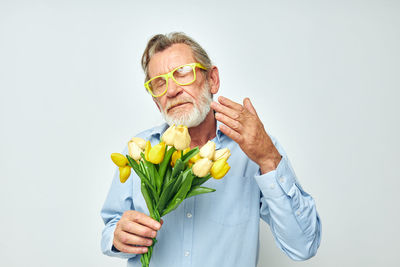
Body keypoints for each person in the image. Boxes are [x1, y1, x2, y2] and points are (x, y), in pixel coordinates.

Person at [101, 32, 321, 267]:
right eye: (159, 83)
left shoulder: (254, 151)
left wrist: (268, 159)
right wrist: (117, 237)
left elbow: (303, 246)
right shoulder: (138, 151)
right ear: (157, 101)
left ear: (212, 80)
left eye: (183, 73)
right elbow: (111, 228)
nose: (172, 90)